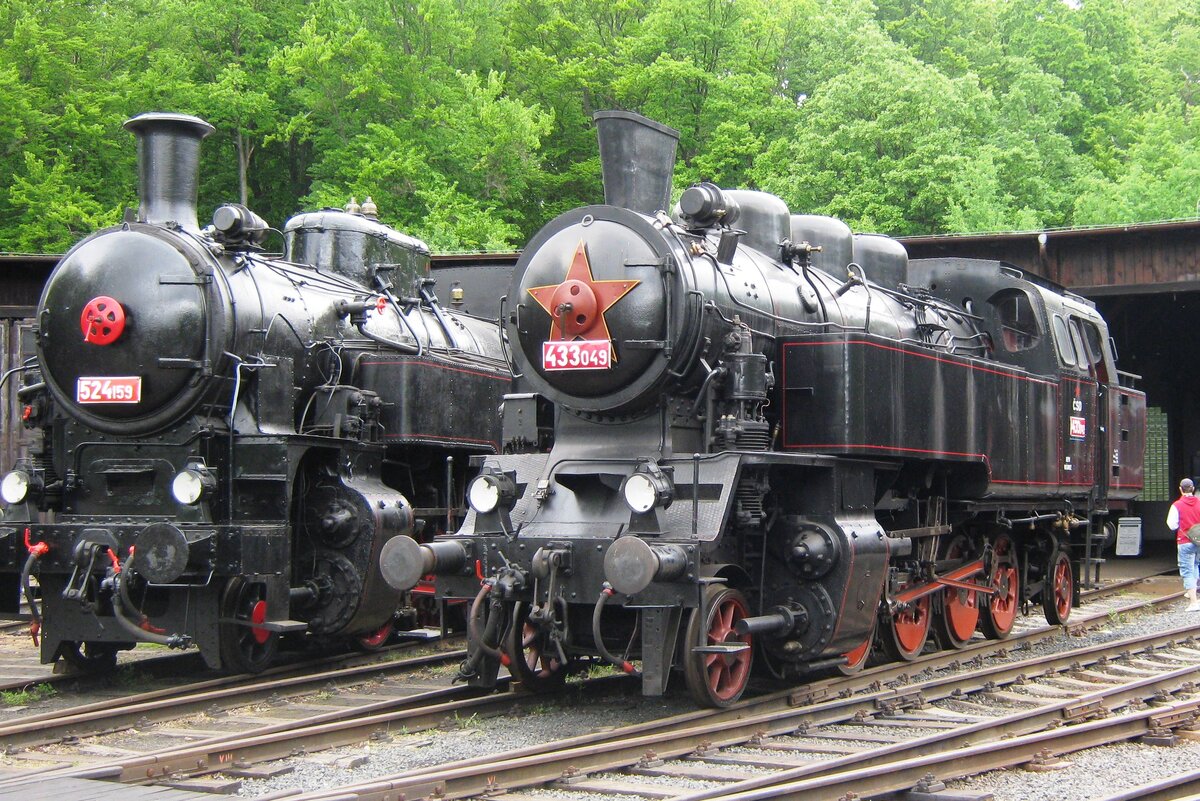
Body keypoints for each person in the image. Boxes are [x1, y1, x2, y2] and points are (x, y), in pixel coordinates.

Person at [1167, 477, 1200, 612]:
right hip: (1199, 541)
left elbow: (1172, 525)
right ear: (1192, 489)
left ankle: (1193, 602)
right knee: (1195, 565)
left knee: (1186, 570)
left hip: (1185, 541)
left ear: (1180, 489)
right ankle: (1193, 591)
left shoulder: (1177, 505)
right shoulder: (1199, 502)